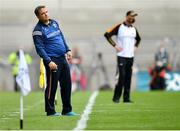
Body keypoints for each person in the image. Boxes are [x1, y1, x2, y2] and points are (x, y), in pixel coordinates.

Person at [32, 5, 78, 116]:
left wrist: (68, 49)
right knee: (52, 87)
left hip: (62, 58)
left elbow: (61, 36)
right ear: (38, 16)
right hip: (52, 60)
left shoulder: (54, 23)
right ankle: (50, 110)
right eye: (43, 13)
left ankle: (67, 110)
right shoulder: (37, 31)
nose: (46, 14)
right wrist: (48, 61)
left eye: (46, 12)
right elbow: (40, 48)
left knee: (67, 84)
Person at [104, 10, 141, 103]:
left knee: (128, 77)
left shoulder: (134, 29)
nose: (133, 18)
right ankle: (116, 97)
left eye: (134, 16)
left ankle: (126, 98)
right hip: (121, 56)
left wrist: (135, 47)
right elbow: (107, 34)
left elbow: (139, 39)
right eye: (131, 16)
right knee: (121, 77)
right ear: (127, 16)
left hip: (130, 56)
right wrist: (115, 46)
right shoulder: (119, 27)